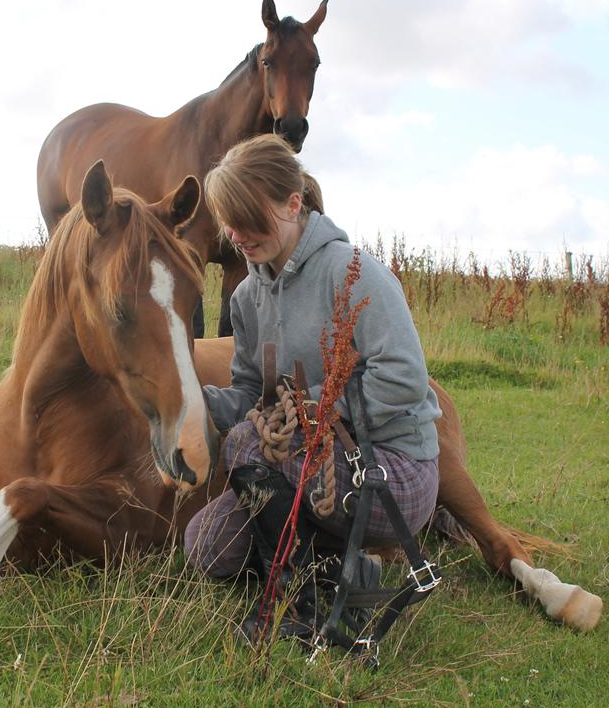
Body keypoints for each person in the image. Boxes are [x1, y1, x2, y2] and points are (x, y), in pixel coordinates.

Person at [184, 133, 441, 642]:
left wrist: (318, 409)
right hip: (300, 464)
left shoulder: (354, 272)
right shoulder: (245, 298)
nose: (236, 234)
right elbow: (252, 399)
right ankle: (343, 567)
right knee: (206, 547)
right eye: (228, 221)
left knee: (243, 445)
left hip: (391, 469)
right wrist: (194, 404)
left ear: (293, 203)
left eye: (247, 218)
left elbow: (405, 378)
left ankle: (292, 609)